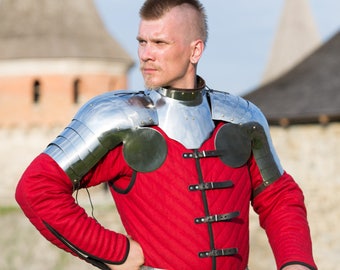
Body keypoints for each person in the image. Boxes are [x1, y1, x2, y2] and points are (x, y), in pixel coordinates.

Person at [15, 0, 317, 269]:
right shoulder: (119, 121)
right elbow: (36, 189)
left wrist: (296, 261)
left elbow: (279, 196)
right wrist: (117, 252)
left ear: (195, 49)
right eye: (142, 41)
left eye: (160, 42)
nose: (146, 54)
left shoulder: (241, 119)